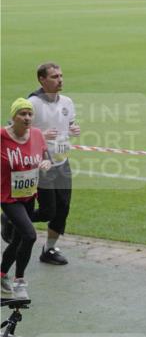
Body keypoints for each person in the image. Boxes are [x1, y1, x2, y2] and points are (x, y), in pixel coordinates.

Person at [0, 64, 78, 264]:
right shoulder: (32, 102)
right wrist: (40, 136)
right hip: (40, 165)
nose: (60, 80)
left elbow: (68, 125)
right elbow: (13, 131)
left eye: (61, 75)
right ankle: (10, 219)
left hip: (62, 162)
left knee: (63, 208)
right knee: (47, 211)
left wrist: (72, 129)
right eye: (54, 76)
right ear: (42, 80)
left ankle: (49, 250)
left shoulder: (67, 102)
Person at [2, 99, 51, 300]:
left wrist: (47, 161)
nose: (27, 118)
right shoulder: (2, 136)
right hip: (7, 196)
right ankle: (19, 281)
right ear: (13, 117)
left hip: (29, 195)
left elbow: (45, 154)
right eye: (22, 114)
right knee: (30, 235)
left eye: (30, 114)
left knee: (19, 239)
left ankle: (1, 274)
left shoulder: (38, 135)